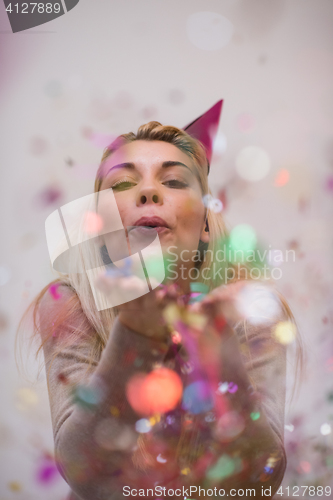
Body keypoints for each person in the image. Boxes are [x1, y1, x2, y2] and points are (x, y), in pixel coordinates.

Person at [16, 103, 304, 500]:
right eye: (121, 184)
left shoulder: (252, 311)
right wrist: (136, 336)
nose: (148, 191)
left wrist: (218, 356)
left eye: (173, 181)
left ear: (204, 223)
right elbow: (84, 472)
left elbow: (258, 480)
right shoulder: (68, 303)